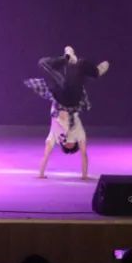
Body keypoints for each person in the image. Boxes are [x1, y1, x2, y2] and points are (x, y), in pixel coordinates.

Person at [25, 46, 109, 181]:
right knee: (79, 65)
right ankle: (96, 72)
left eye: (66, 144)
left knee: (43, 63)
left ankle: (67, 57)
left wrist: (41, 173)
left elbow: (46, 155)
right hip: (73, 100)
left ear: (62, 144)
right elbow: (84, 155)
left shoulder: (54, 136)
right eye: (72, 143)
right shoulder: (79, 134)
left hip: (59, 96)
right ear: (75, 143)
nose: (68, 141)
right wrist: (84, 175)